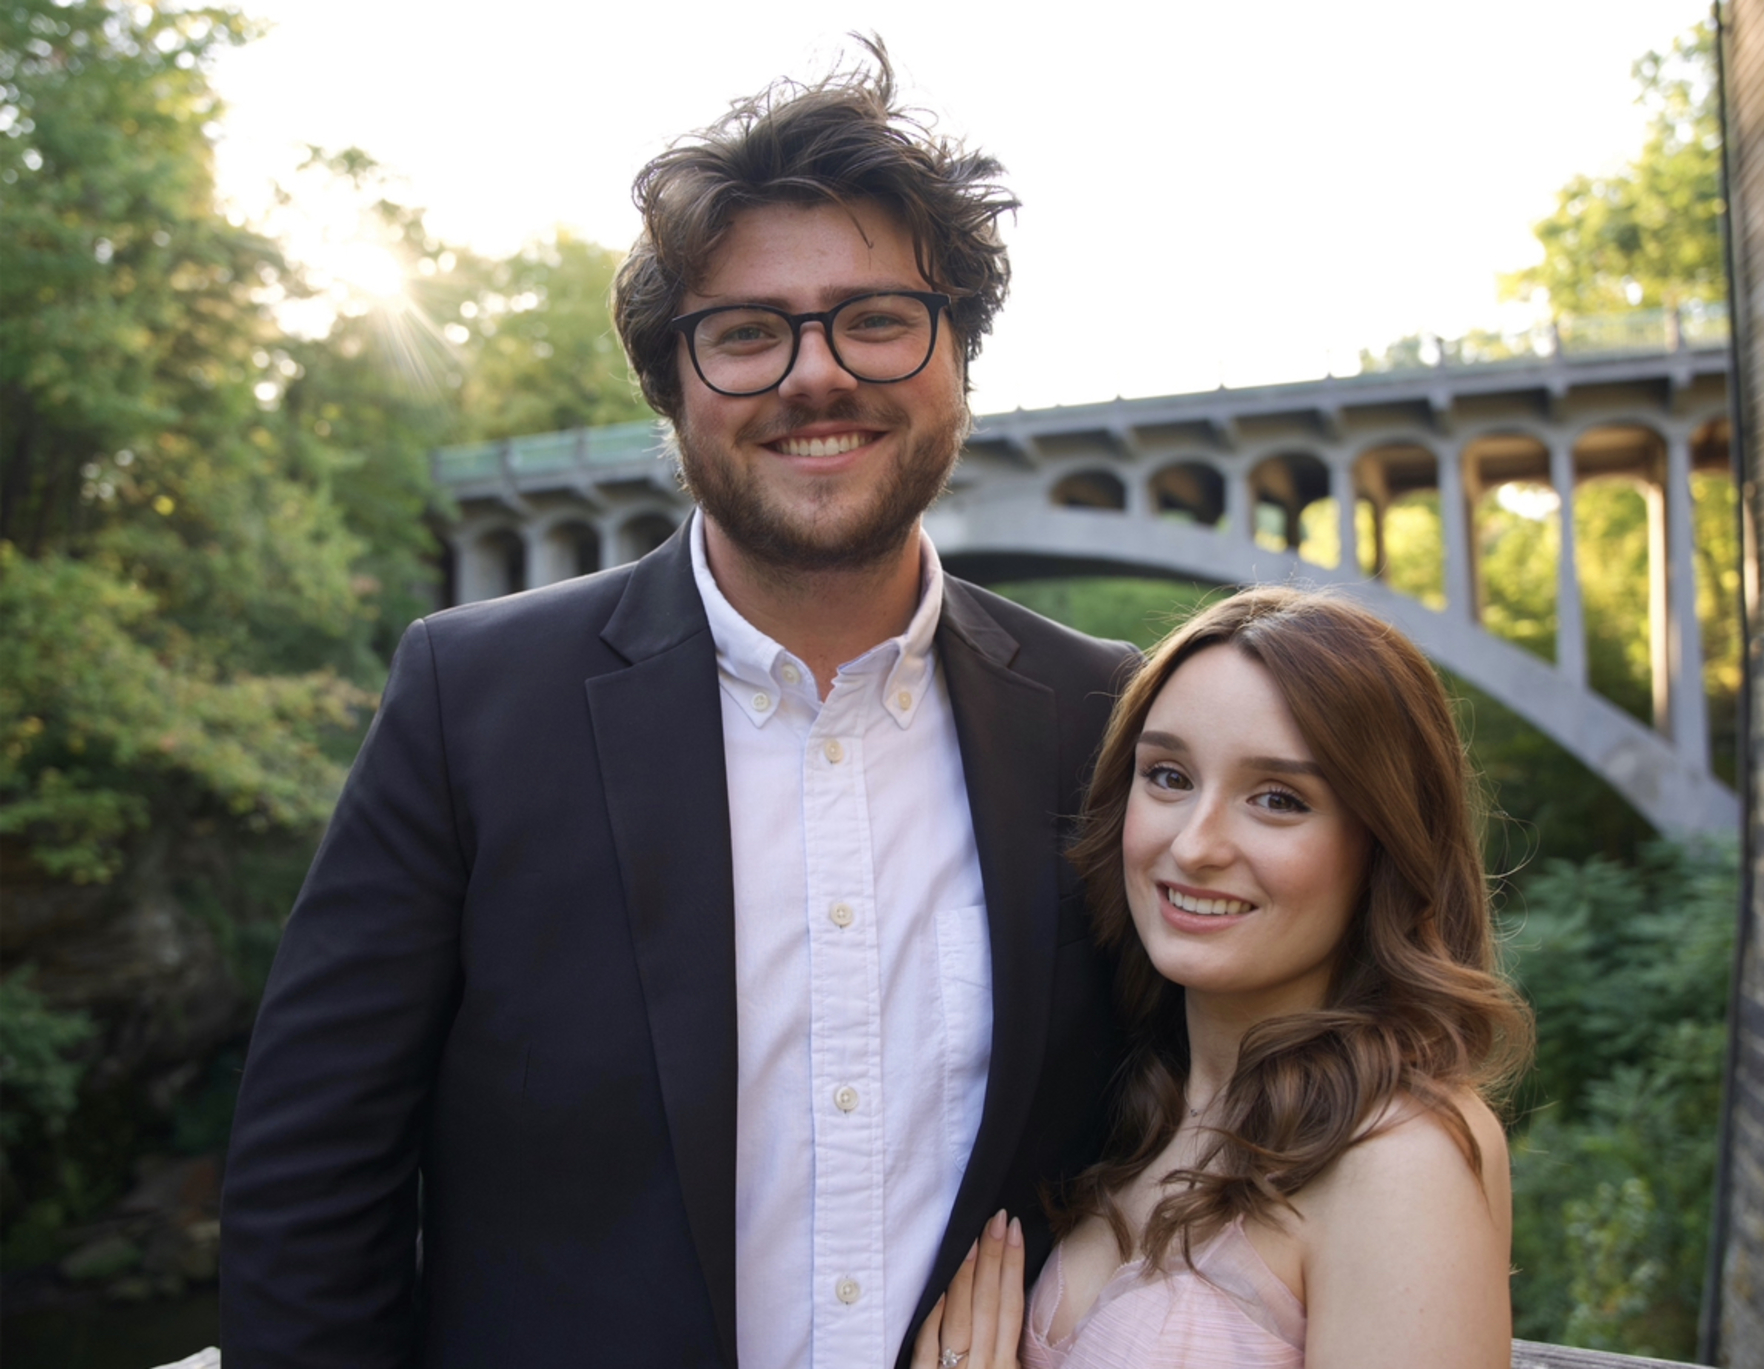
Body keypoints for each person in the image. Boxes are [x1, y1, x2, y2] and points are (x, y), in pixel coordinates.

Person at [219, 40, 1134, 1369]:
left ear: (959, 358)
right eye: (747, 332)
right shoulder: (469, 708)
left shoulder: (1108, 723)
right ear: (674, 389)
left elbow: (1225, 1117)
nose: (816, 374)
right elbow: (309, 1187)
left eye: (878, 317)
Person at [913, 588, 1534, 1369]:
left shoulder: (1397, 1156)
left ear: (1385, 844)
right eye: (1169, 776)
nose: (1195, 845)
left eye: (1277, 799)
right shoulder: (1140, 1105)